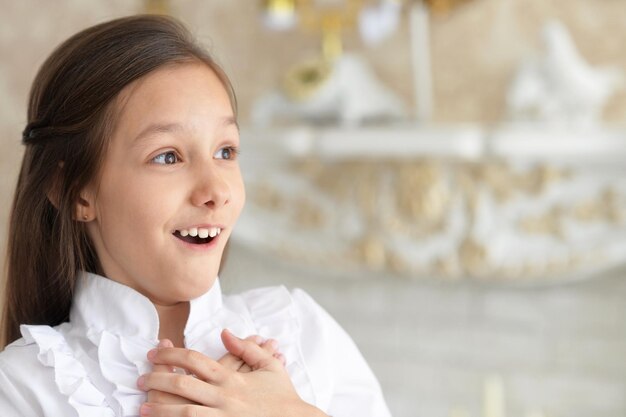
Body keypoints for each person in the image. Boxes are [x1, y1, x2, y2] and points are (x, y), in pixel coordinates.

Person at [0, 14, 391, 417]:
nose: (216, 191)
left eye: (226, 151)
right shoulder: (26, 385)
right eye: (168, 156)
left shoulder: (299, 328)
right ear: (73, 191)